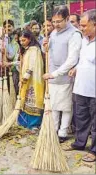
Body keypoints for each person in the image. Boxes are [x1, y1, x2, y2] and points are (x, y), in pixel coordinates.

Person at [42, 5, 82, 143]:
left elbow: (72, 59)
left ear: (67, 19)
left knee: (65, 106)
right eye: (53, 22)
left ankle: (63, 132)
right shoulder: (52, 33)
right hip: (52, 74)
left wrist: (55, 74)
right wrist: (45, 46)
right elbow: (49, 51)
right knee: (53, 104)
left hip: (65, 75)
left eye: (59, 21)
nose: (55, 25)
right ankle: (53, 130)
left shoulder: (75, 34)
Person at [68, 9, 96, 162]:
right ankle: (79, 143)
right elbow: (84, 61)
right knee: (81, 118)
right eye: (80, 26)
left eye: (84, 26)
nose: (81, 28)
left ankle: (94, 151)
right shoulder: (84, 41)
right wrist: (76, 68)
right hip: (81, 88)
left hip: (94, 90)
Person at [17, 30, 45, 131]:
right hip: (28, 80)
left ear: (29, 39)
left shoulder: (34, 50)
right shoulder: (28, 49)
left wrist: (25, 77)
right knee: (26, 100)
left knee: (34, 100)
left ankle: (34, 124)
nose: (22, 42)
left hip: (34, 80)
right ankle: (26, 122)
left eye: (24, 40)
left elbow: (32, 65)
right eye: (20, 40)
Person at [3, 19, 20, 95]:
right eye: (5, 27)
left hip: (16, 68)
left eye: (9, 26)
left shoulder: (16, 38)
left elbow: (11, 55)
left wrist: (6, 54)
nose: (7, 29)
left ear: (13, 27)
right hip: (7, 68)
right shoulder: (5, 39)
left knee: (16, 89)